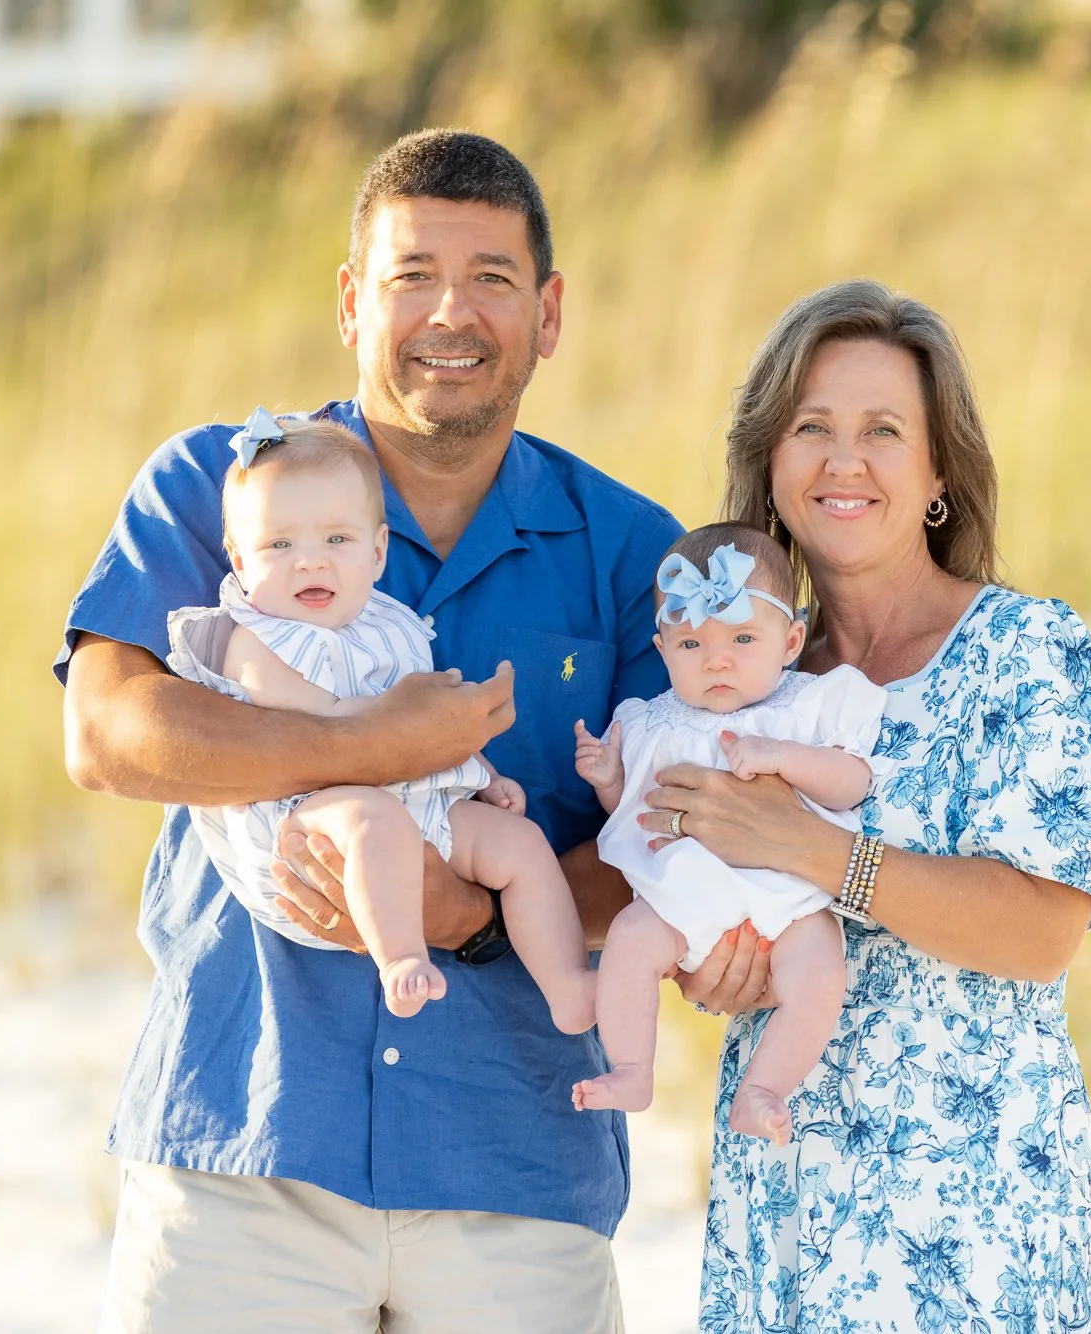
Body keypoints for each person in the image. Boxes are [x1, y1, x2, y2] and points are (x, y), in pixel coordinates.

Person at [57, 129, 688, 1332]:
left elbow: (667, 822)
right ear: (352, 302)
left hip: (516, 1169)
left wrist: (481, 914)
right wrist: (375, 744)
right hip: (243, 1148)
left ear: (548, 314)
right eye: (411, 275)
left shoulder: (627, 547)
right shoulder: (220, 486)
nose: (451, 312)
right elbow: (108, 730)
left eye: (492, 278)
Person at [643, 280, 1091, 1332]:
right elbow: (674, 878)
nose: (842, 460)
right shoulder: (734, 677)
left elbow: (1043, 930)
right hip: (786, 1194)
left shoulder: (1024, 653)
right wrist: (706, 962)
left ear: (937, 470)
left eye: (881, 430)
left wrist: (818, 852)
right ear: (769, 463)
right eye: (809, 427)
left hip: (975, 1209)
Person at [163, 414, 595, 1027]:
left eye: (336, 541)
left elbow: (428, 732)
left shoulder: (386, 625)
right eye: (280, 545)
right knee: (375, 820)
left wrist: (477, 768)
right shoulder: (254, 638)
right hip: (304, 825)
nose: (310, 563)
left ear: (377, 550)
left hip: (413, 804)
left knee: (520, 845)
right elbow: (320, 727)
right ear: (238, 557)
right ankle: (400, 958)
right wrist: (420, 723)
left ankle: (569, 985)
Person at [569, 522, 884, 1146]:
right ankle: (632, 1067)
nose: (717, 659)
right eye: (691, 645)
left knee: (820, 976)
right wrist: (609, 779)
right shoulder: (648, 722)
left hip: (791, 901)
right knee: (629, 945)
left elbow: (852, 782)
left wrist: (782, 757)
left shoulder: (807, 708)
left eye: (743, 637)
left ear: (791, 640)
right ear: (662, 650)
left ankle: (765, 1087)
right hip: (680, 902)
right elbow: (634, 811)